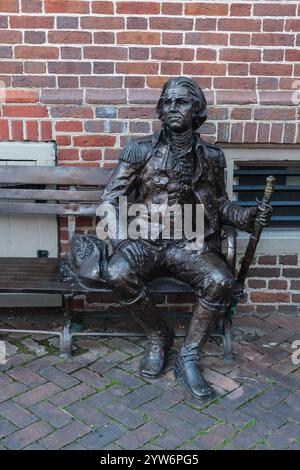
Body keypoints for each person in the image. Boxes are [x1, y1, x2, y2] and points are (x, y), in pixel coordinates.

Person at [99, 77, 271, 399]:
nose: (173, 108)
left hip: (190, 242)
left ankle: (188, 355)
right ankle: (158, 336)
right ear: (160, 110)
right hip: (144, 240)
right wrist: (122, 241)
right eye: (167, 102)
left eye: (182, 102)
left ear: (197, 109)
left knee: (220, 279)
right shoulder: (140, 150)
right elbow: (110, 199)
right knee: (118, 272)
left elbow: (220, 205)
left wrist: (249, 216)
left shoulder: (211, 156)